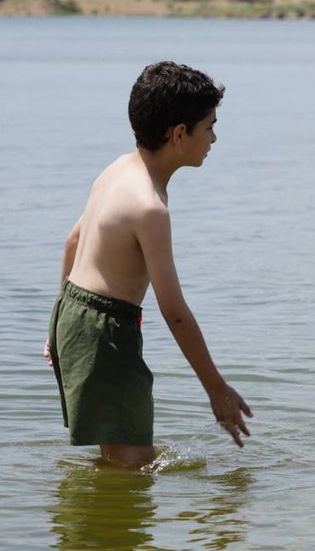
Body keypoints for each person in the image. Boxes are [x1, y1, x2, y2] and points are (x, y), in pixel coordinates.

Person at [45, 61, 252, 467]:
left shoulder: (118, 168)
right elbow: (174, 312)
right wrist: (216, 388)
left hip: (73, 313)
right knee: (133, 463)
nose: (213, 138)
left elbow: (73, 241)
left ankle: (90, 506)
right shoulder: (150, 208)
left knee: (118, 454)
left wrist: (57, 324)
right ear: (179, 134)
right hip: (105, 333)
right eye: (209, 127)